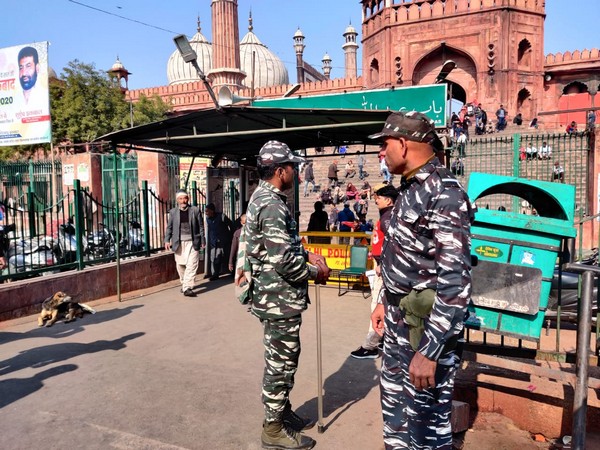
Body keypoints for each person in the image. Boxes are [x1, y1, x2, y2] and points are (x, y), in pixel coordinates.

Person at [369, 111, 474, 450]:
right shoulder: (410, 189)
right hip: (400, 325)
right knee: (397, 418)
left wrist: (430, 351)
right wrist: (385, 302)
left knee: (425, 427)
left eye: (384, 145)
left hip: (425, 333)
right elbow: (402, 258)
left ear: (403, 143)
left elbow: (455, 283)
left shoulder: (444, 193)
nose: (381, 153)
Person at [240, 140, 331, 450]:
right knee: (281, 362)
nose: (297, 172)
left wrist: (309, 254)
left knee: (285, 358)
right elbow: (283, 260)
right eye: (293, 167)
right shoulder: (271, 204)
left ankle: (282, 411)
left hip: (277, 297)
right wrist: (315, 271)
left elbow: (284, 246)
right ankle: (273, 428)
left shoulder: (268, 199)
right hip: (278, 298)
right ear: (280, 171)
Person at [351, 183, 398, 359]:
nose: (376, 199)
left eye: (378, 196)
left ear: (388, 199)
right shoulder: (387, 215)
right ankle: (383, 341)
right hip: (381, 265)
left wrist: (382, 263)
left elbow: (394, 245)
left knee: (377, 306)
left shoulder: (388, 218)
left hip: (383, 268)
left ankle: (370, 346)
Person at [164, 190, 205, 297]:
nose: (183, 201)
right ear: (177, 200)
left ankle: (187, 287)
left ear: (188, 199)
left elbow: (201, 226)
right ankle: (184, 283)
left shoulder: (195, 210)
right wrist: (167, 240)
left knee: (192, 264)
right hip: (179, 242)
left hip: (193, 242)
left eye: (185, 198)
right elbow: (169, 227)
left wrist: (203, 240)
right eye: (181, 199)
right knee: (181, 265)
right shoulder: (173, 212)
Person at [205, 203, 233, 281]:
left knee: (228, 256)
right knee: (215, 258)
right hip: (215, 241)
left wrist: (230, 235)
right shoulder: (207, 219)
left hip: (225, 240)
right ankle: (215, 274)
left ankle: (233, 272)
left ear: (212, 211)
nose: (206, 213)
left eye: (207, 211)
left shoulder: (221, 216)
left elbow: (230, 224)